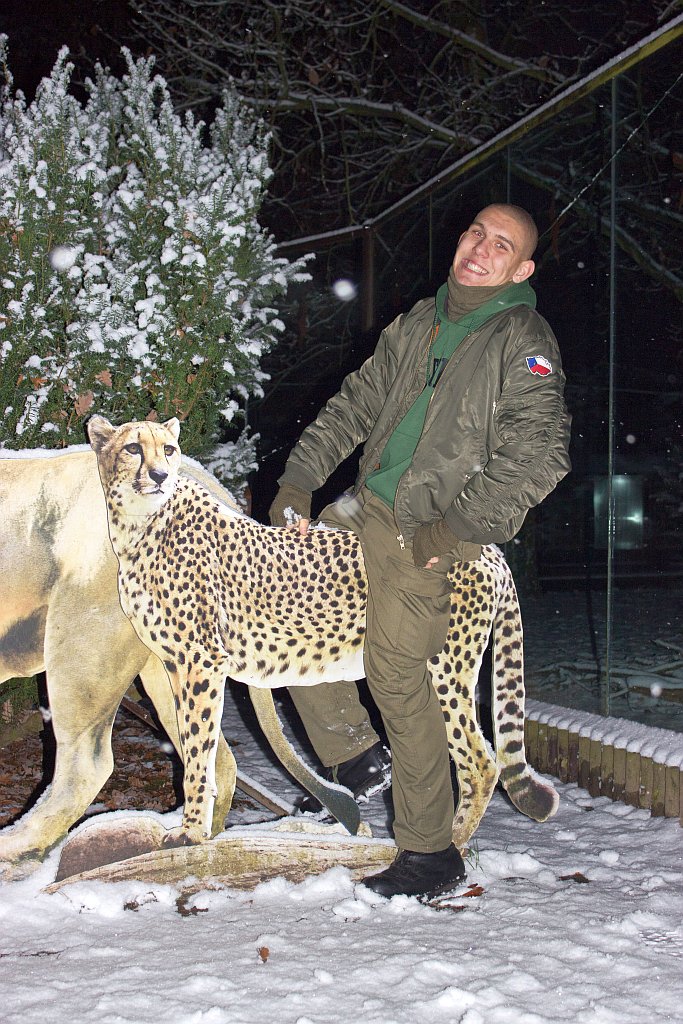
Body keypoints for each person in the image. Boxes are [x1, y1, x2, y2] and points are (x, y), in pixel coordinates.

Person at [269, 204, 571, 898]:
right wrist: (299, 480)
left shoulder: (521, 338)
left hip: (423, 528)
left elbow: (539, 453)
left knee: (397, 677)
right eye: (476, 233)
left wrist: (455, 530)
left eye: (502, 245)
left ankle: (430, 854)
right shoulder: (419, 322)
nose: (481, 248)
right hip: (361, 507)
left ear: (520, 269)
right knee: (288, 616)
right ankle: (355, 760)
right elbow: (354, 403)